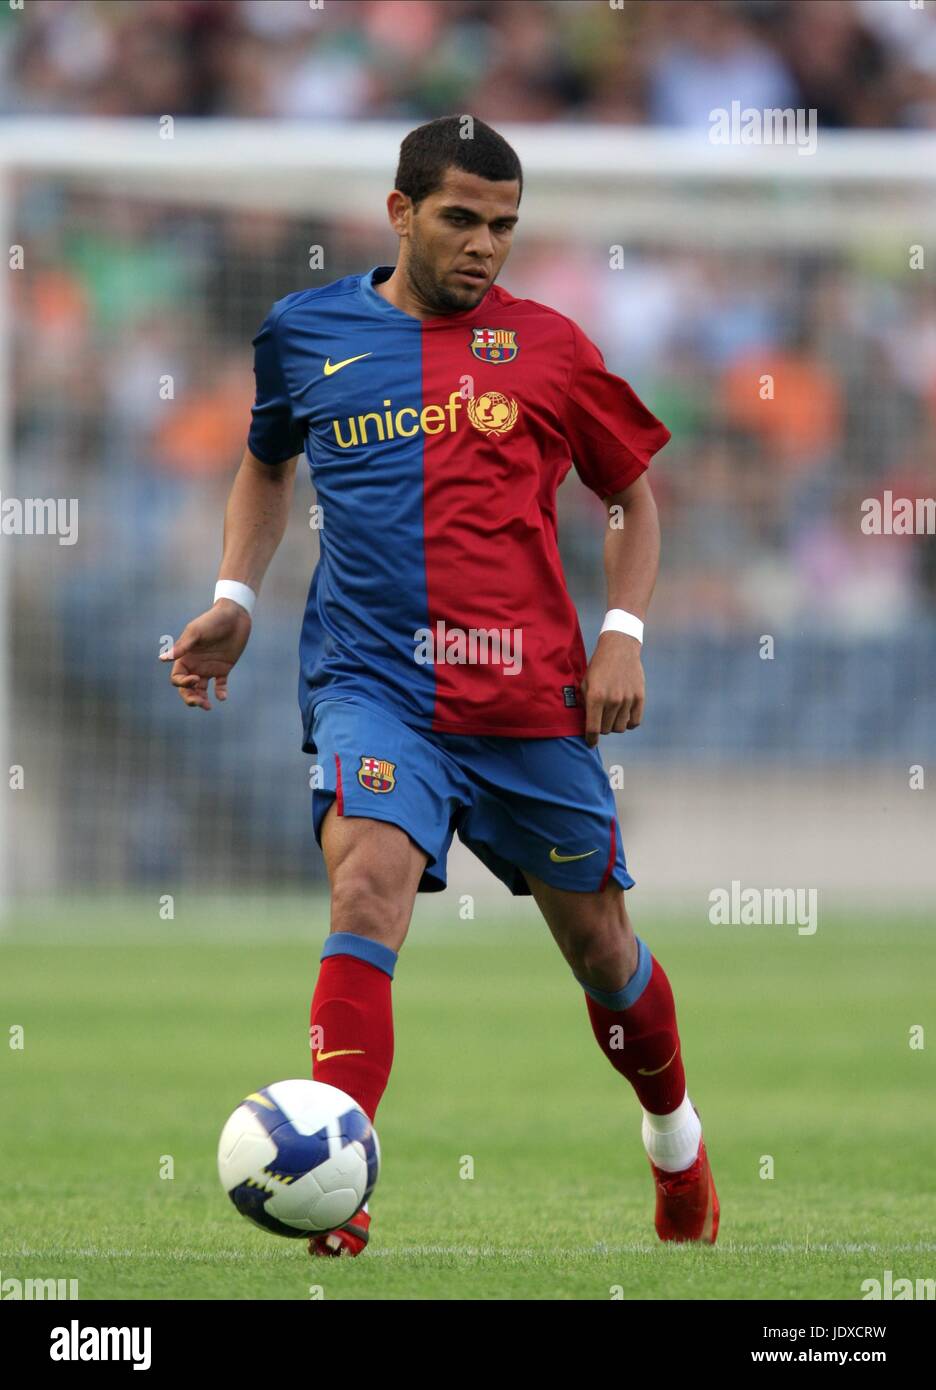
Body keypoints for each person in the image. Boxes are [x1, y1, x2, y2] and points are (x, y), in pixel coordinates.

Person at [161, 115, 718, 1255]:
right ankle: (339, 1182)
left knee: (604, 950)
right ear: (399, 212)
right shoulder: (303, 334)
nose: (485, 246)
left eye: (505, 226)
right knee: (366, 887)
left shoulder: (552, 348)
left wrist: (623, 632)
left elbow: (633, 496)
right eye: (462, 219)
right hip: (374, 685)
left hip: (526, 700)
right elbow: (267, 462)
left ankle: (676, 1145)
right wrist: (236, 596)